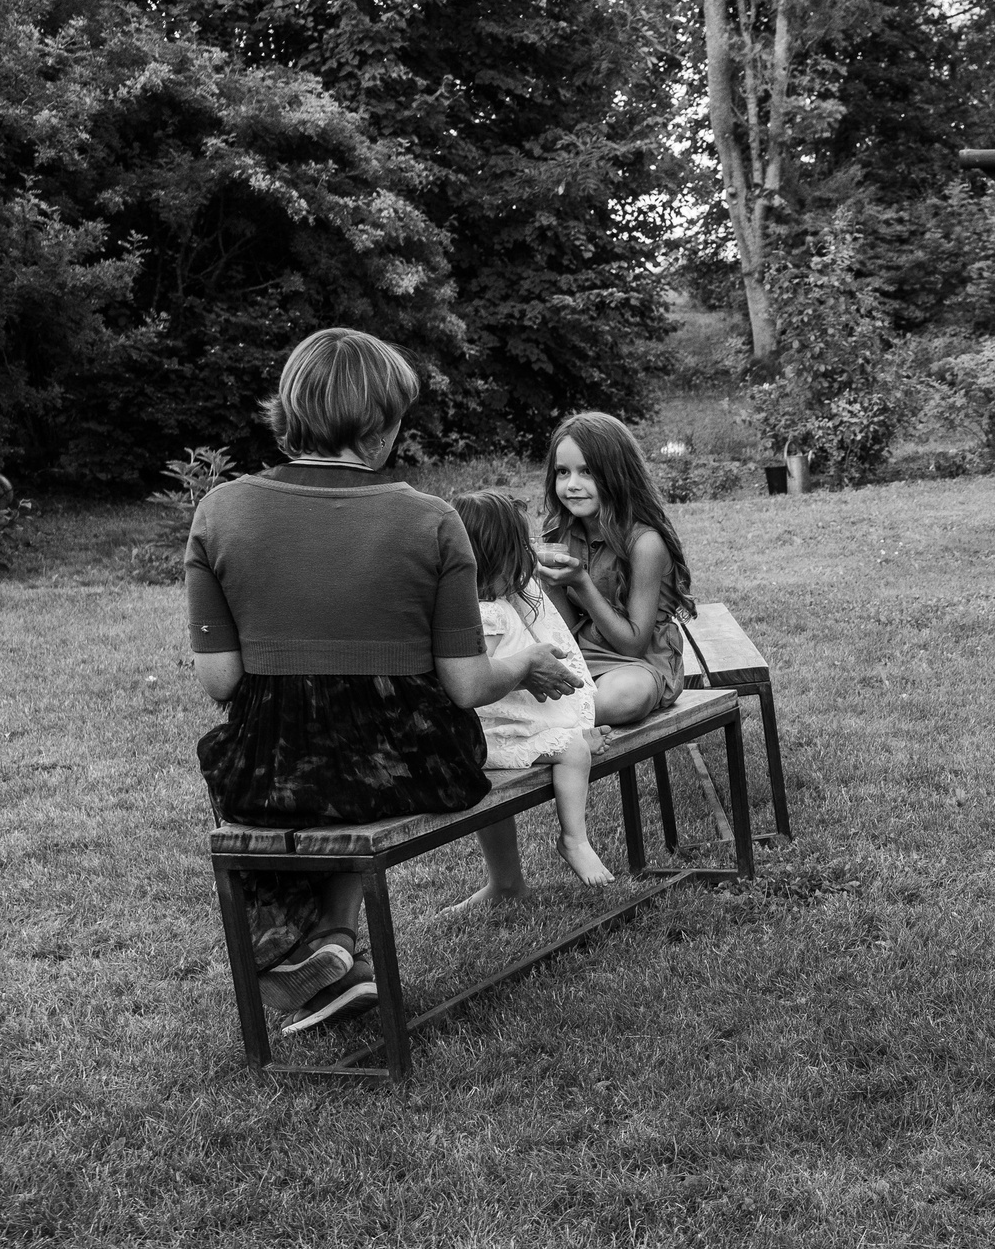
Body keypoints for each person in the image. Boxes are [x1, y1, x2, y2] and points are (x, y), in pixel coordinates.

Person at [188, 328, 581, 1034]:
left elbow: (220, 680)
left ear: (290, 410)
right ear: (379, 424)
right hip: (409, 760)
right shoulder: (431, 519)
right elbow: (464, 686)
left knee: (279, 771)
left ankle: (315, 946)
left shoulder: (219, 511)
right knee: (345, 767)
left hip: (271, 766)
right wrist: (522, 661)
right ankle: (329, 947)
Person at [449, 492, 610, 902]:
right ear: (495, 556)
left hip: (513, 718)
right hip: (494, 730)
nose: (528, 555)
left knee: (572, 741)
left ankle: (564, 737)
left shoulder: (500, 600)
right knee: (573, 750)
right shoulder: (484, 615)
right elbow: (478, 681)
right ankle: (574, 839)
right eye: (520, 547)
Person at [533, 412, 695, 726]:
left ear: (617, 474)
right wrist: (547, 582)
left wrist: (580, 581)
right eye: (562, 472)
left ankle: (540, 721)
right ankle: (557, 718)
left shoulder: (645, 543)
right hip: (582, 653)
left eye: (587, 472)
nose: (572, 485)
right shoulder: (560, 532)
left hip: (638, 664)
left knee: (624, 697)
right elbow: (566, 629)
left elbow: (633, 644)